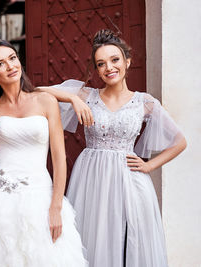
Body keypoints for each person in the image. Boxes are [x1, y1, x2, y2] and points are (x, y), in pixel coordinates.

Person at [39, 29, 187, 267]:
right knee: (91, 236)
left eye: (115, 60)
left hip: (129, 182)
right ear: (97, 70)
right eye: (101, 63)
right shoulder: (87, 95)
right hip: (91, 178)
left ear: (127, 62)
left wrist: (149, 165)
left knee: (133, 241)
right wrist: (73, 99)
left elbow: (180, 142)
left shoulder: (145, 102)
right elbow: (36, 92)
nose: (109, 67)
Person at [0, 39, 88, 267]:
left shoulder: (45, 101)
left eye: (13, 58)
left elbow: (59, 160)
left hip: (40, 198)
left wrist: (55, 207)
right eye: (0, 64)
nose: (11, 66)